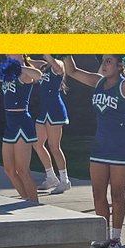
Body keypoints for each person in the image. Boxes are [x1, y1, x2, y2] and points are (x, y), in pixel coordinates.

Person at [49, 55, 125, 248]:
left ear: (120, 66)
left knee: (117, 195)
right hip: (100, 146)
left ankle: (115, 238)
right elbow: (73, 71)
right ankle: (102, 236)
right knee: (97, 193)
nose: (104, 64)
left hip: (120, 146)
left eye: (109, 61)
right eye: (104, 60)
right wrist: (64, 53)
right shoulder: (98, 81)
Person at [0, 54, 43, 202]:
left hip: (22, 122)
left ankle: (35, 204)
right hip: (9, 122)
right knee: (9, 170)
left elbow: (38, 74)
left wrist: (20, 66)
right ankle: (25, 201)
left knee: (23, 170)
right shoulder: (7, 72)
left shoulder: (24, 73)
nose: (8, 53)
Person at [34, 55, 71, 195]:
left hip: (55, 110)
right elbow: (28, 61)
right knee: (37, 144)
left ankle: (65, 180)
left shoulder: (59, 64)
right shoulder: (44, 65)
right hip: (44, 110)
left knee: (54, 146)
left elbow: (55, 64)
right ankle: (51, 177)